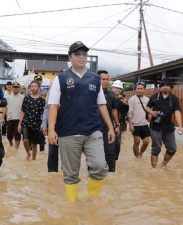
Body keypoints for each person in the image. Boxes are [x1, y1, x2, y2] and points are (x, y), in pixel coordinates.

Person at [48, 41, 115, 202]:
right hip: (68, 132)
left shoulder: (94, 79)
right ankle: (73, 208)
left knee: (100, 166)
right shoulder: (61, 79)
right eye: (77, 54)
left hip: (93, 131)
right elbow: (53, 106)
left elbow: (102, 104)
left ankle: (92, 202)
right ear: (70, 57)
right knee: (71, 174)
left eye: (84, 54)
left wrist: (111, 128)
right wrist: (51, 130)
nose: (81, 57)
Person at [146, 78, 183, 168]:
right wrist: (151, 112)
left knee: (172, 149)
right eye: (163, 85)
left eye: (167, 85)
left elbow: (177, 112)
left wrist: (180, 126)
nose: (165, 87)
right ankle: (154, 169)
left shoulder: (174, 99)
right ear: (160, 87)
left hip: (168, 127)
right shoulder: (154, 97)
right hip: (155, 127)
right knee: (156, 148)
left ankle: (163, 165)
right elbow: (147, 107)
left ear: (171, 87)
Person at [98, 70, 120, 172]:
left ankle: (111, 175)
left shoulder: (112, 95)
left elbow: (114, 111)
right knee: (95, 155)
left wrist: (117, 125)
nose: (106, 81)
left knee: (110, 153)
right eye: (103, 79)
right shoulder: (92, 93)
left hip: (108, 128)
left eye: (107, 79)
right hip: (94, 129)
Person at [18, 80, 46, 160]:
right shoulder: (26, 98)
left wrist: (43, 125)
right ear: (30, 88)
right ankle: (28, 153)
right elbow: (23, 111)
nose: (33, 88)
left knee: (34, 144)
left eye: (35, 86)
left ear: (38, 88)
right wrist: (19, 123)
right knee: (25, 139)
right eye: (32, 86)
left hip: (37, 124)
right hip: (26, 122)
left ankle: (34, 160)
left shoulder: (42, 100)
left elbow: (43, 114)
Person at [127, 82, 150, 158]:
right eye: (138, 88)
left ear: (144, 90)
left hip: (144, 124)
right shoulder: (132, 99)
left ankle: (141, 153)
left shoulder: (147, 99)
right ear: (136, 89)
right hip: (135, 124)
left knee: (146, 142)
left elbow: (149, 112)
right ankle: (137, 157)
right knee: (137, 141)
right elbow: (130, 112)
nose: (139, 90)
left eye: (141, 89)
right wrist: (130, 125)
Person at [2, 81, 24, 149]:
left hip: (18, 118)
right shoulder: (8, 97)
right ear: (12, 88)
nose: (16, 89)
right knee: (9, 135)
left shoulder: (22, 97)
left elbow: (24, 110)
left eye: (17, 87)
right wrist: (2, 118)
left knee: (17, 134)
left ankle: (16, 149)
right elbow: (5, 108)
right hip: (10, 118)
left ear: (19, 88)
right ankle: (11, 144)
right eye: (14, 87)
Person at [112, 80, 129, 165]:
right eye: (116, 88)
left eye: (119, 88)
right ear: (112, 88)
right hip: (109, 122)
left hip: (119, 123)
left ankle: (114, 159)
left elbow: (125, 112)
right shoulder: (108, 97)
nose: (117, 90)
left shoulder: (122, 99)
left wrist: (126, 105)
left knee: (117, 142)